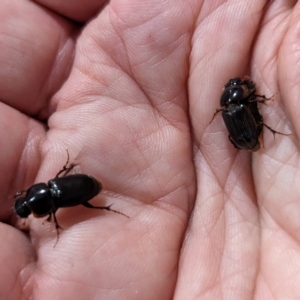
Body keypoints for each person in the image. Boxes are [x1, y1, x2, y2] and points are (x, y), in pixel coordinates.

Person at [0, 0, 297, 299]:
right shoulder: (49, 190)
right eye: (28, 201)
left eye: (25, 199)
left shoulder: (50, 203)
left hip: (81, 191)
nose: (27, 200)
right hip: (81, 188)